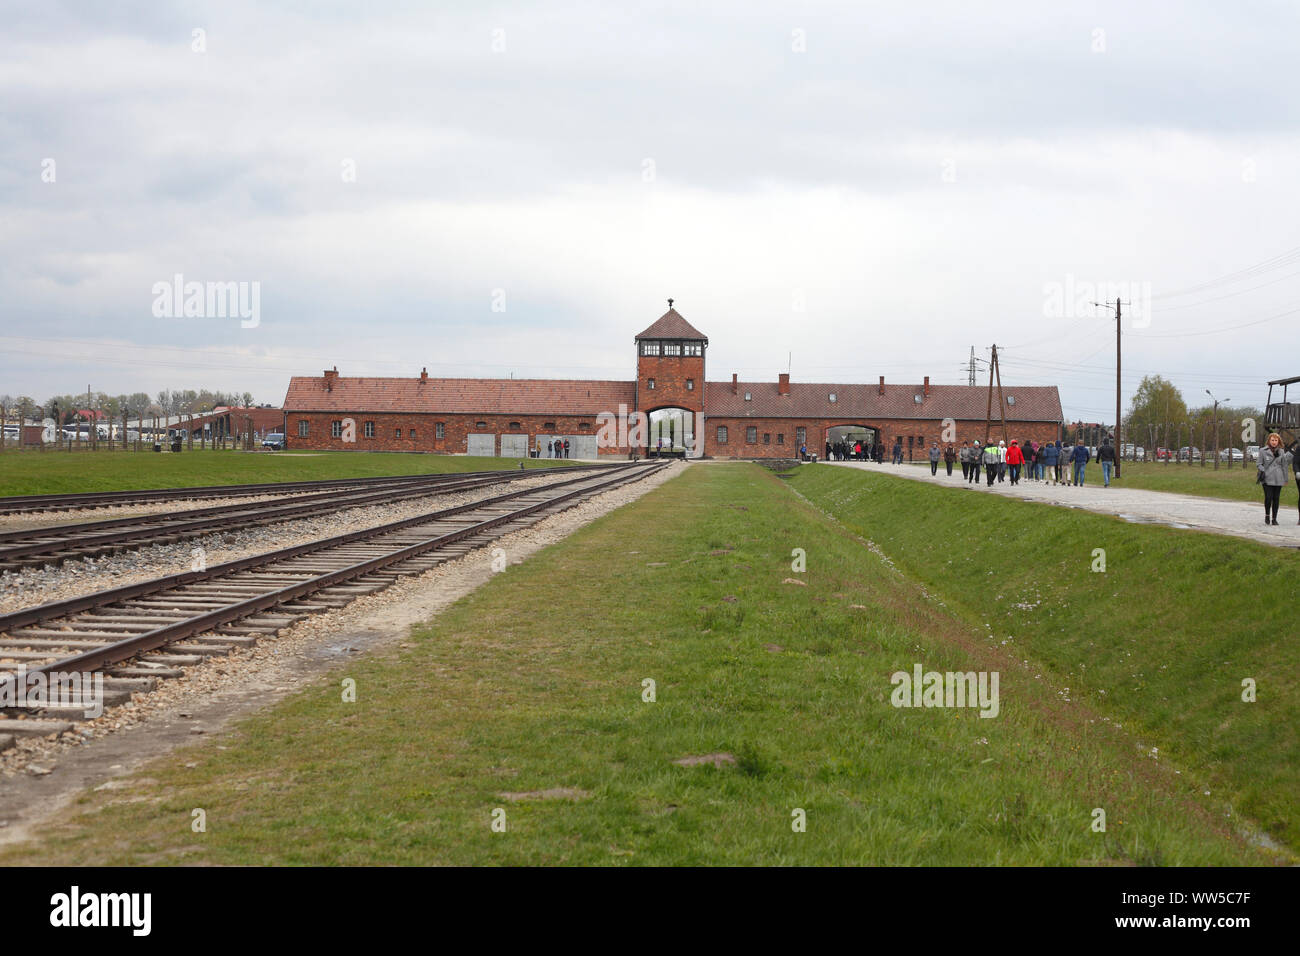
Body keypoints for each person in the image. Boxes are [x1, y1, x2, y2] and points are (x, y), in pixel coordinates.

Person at [1257, 432, 1292, 526]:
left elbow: (1284, 465)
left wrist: (1286, 479)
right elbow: (1259, 464)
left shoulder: (1281, 451)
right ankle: (1267, 515)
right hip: (1267, 478)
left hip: (1278, 478)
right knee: (1268, 498)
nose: (1274, 442)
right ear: (1269, 440)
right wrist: (1263, 470)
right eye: (1272, 440)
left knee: (1276, 498)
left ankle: (1274, 518)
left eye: (1276, 440)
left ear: (1278, 441)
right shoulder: (1262, 451)